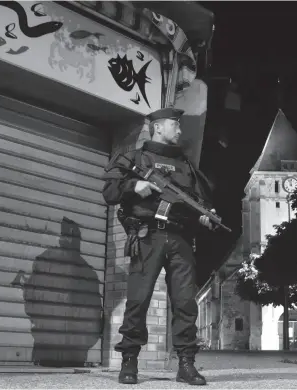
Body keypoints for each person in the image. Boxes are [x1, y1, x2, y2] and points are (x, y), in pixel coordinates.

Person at [102, 107, 216, 386]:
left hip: (181, 240)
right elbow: (109, 192)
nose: (180, 130)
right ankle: (129, 362)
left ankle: (186, 364)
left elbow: (199, 202)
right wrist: (134, 186)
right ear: (158, 127)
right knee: (138, 301)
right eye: (175, 125)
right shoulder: (134, 158)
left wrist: (204, 215)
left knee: (186, 303)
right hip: (147, 236)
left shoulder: (186, 166)